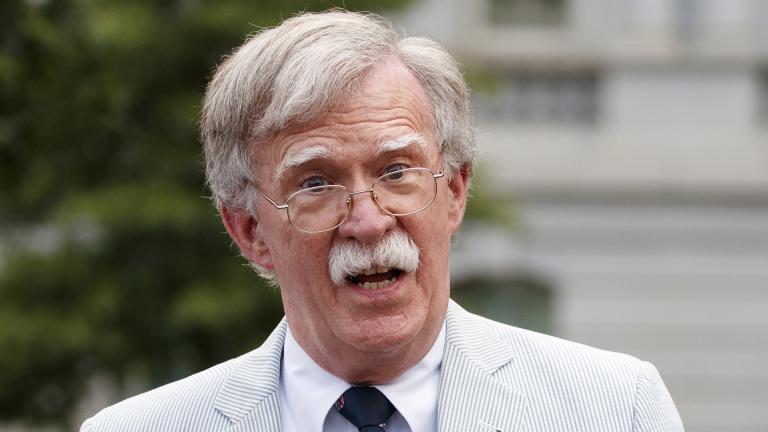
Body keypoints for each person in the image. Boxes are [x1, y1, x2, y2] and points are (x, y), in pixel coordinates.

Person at [80, 9, 684, 432]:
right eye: (316, 183)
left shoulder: (612, 410)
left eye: (397, 171)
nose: (368, 223)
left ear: (454, 191)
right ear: (250, 231)